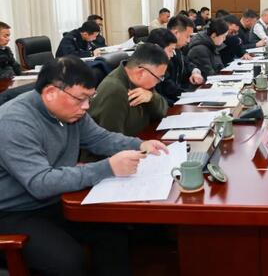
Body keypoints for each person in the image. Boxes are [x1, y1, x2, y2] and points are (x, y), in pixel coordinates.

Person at [0, 56, 167, 276]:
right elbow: (40, 183)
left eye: (90, 98)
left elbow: (100, 138)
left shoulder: (71, 112)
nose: (86, 107)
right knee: (68, 260)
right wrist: (107, 167)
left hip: (55, 199)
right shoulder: (14, 122)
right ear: (50, 93)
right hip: (13, 211)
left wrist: (140, 144)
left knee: (113, 232)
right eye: (81, 99)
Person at [89, 43, 169, 137]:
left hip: (142, 138)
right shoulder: (114, 91)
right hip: (131, 144)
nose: (158, 82)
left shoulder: (143, 83)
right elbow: (111, 141)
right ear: (141, 73)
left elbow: (163, 111)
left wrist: (152, 97)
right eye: (159, 78)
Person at [159, 15, 204, 106]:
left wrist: (195, 72)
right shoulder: (161, 53)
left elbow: (188, 63)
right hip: (168, 104)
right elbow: (168, 87)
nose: (189, 41)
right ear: (176, 33)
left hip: (178, 99)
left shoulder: (177, 50)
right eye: (187, 36)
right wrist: (192, 96)